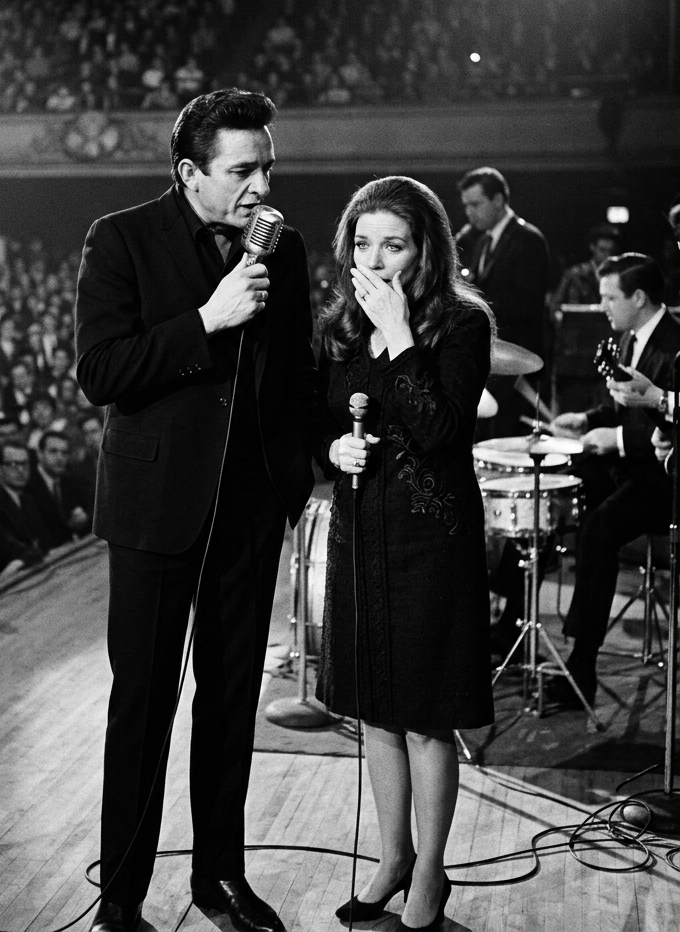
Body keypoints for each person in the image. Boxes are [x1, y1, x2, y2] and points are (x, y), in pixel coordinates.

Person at [75, 89, 315, 932]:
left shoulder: (284, 247)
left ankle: (219, 878)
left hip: (248, 512)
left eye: (267, 168)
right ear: (189, 173)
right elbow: (101, 371)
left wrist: (294, 480)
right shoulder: (120, 238)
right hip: (154, 511)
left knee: (230, 704)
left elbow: (295, 372)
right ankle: (121, 900)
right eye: (243, 170)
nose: (262, 186)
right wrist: (207, 320)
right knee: (142, 707)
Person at [314, 176, 495, 932]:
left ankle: (430, 872)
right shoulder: (340, 326)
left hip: (431, 537)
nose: (375, 259)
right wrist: (335, 449)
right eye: (363, 244)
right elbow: (317, 421)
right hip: (362, 530)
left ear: (425, 250)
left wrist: (399, 337)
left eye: (393, 245)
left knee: (424, 714)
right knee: (376, 711)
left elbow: (442, 428)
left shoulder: (462, 324)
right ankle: (392, 858)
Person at [548, 253, 680, 707]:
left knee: (600, 529)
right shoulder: (628, 338)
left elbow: (669, 423)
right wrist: (586, 420)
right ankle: (519, 621)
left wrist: (618, 439)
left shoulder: (674, 344)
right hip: (634, 470)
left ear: (638, 297)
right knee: (563, 481)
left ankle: (582, 664)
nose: (602, 305)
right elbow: (623, 408)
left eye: (609, 297)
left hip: (666, 480)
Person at [455, 166, 550, 436]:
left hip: (518, 360)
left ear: (498, 200)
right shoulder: (481, 241)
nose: (469, 212)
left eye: (475, 204)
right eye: (466, 205)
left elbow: (527, 303)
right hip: (492, 359)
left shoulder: (528, 239)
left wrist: (473, 306)